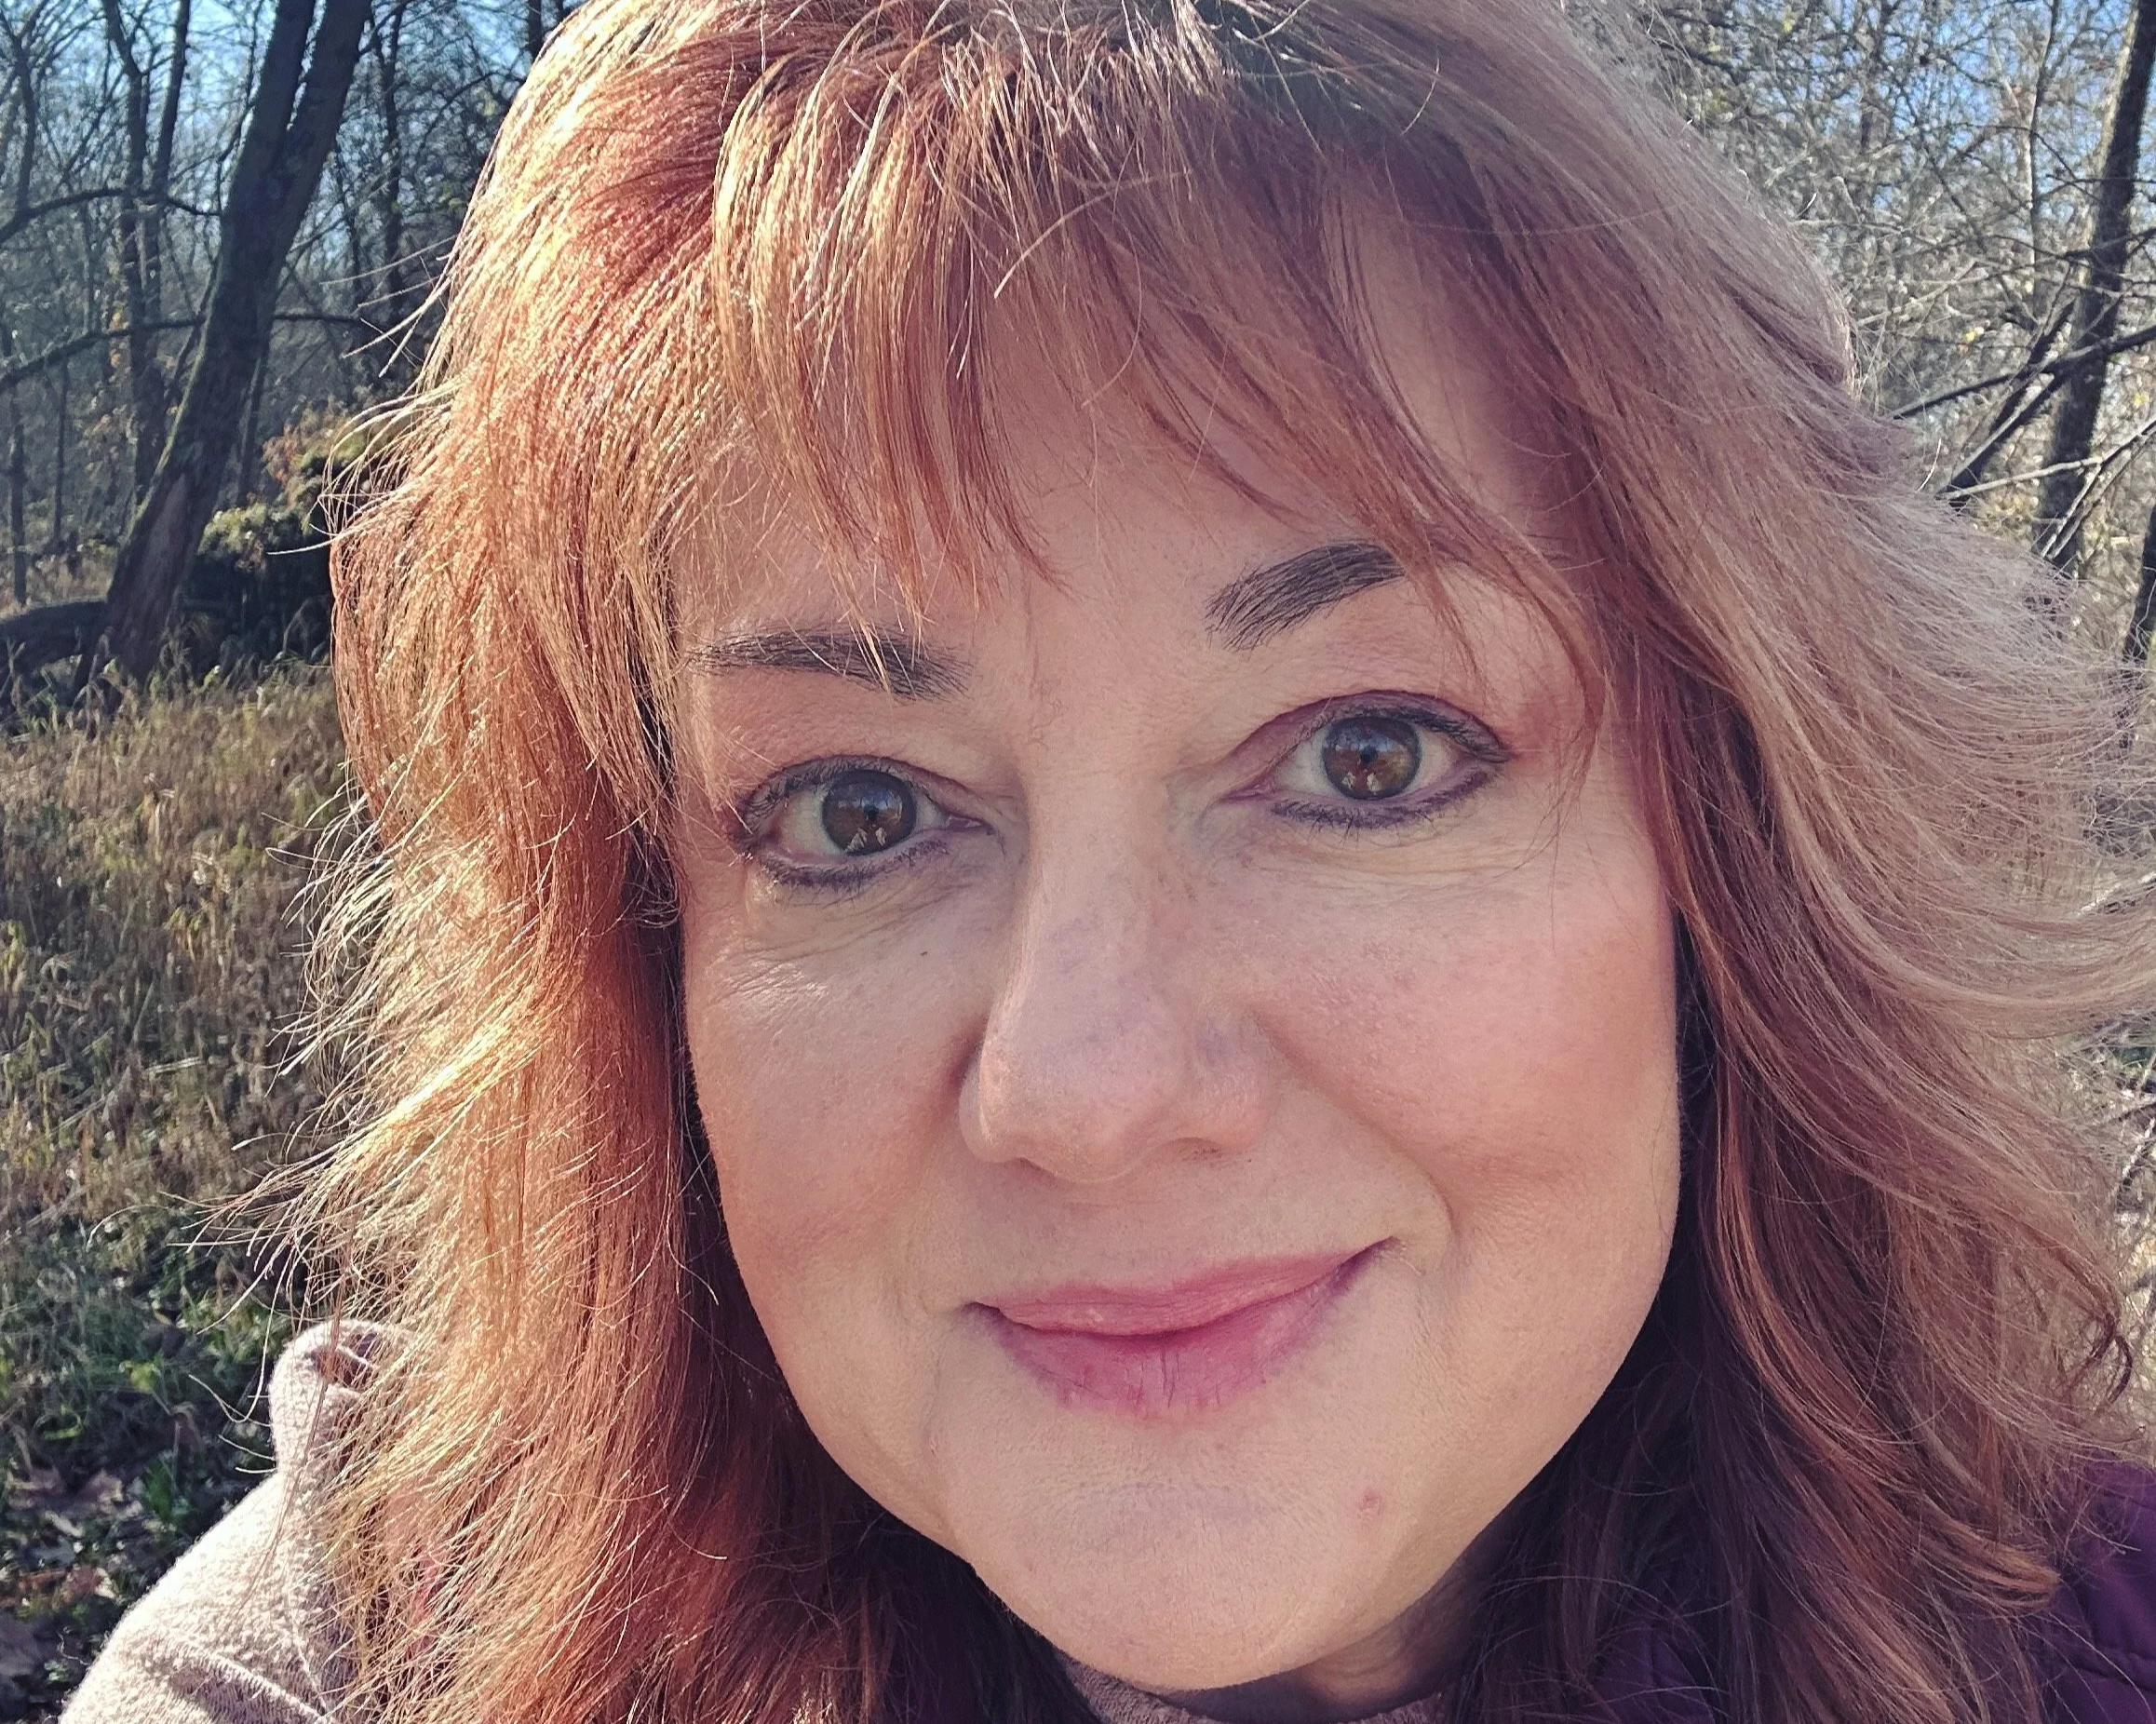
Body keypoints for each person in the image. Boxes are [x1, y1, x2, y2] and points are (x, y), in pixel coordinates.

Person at [61, 0, 2156, 1720]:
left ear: (1740, 865)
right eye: (857, 810)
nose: (1085, 1088)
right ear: (649, 954)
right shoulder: (379, 1653)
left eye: (1367, 752)